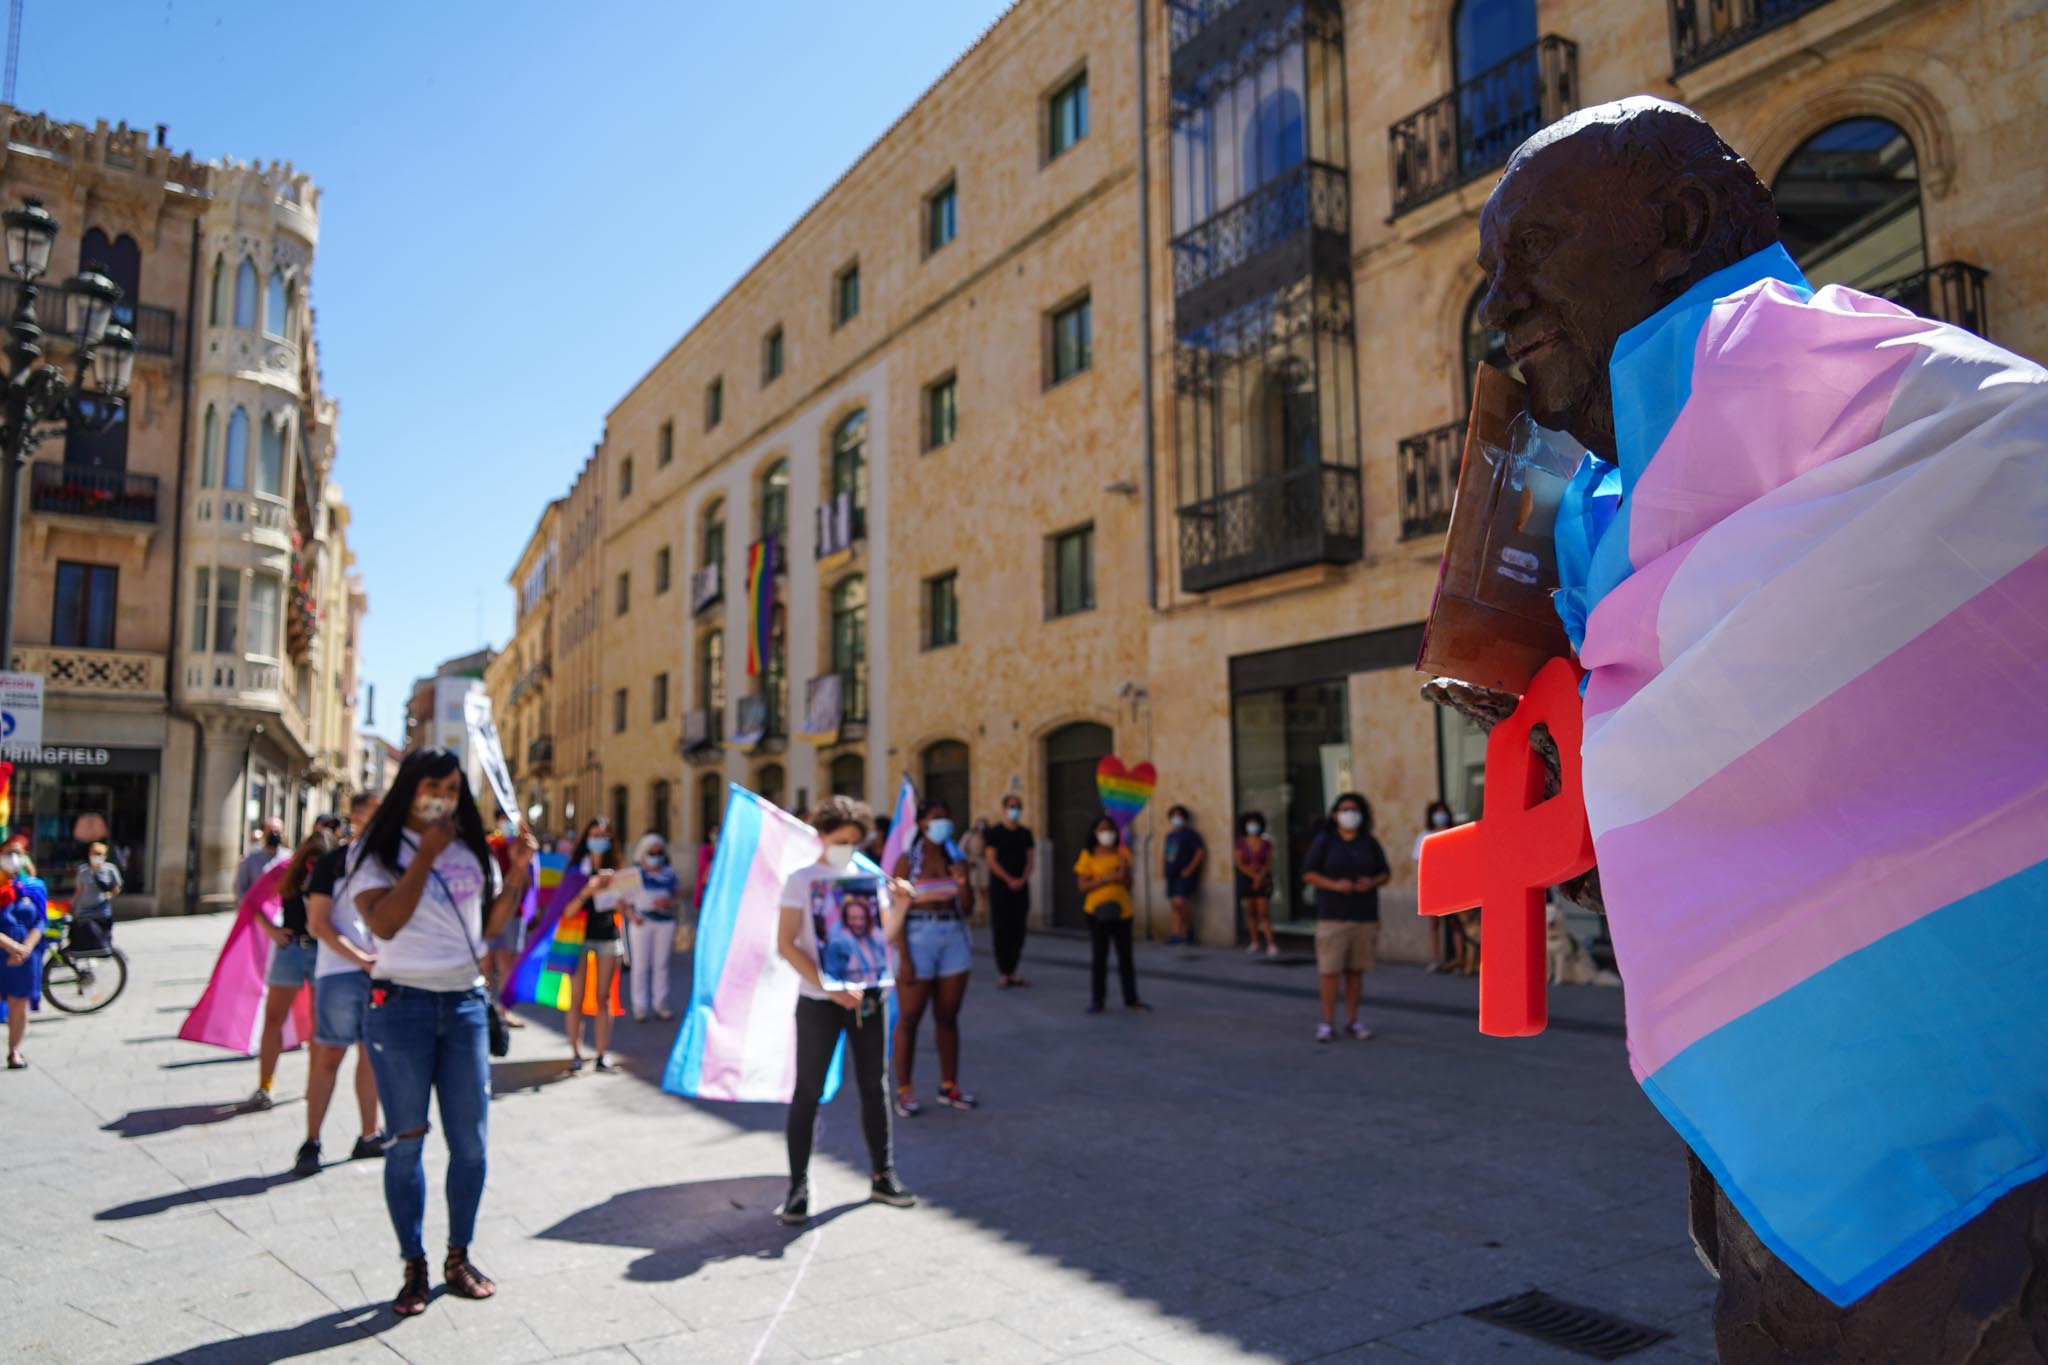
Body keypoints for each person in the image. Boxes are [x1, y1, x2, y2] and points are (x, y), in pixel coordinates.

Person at [1433, 96, 2048, 1356]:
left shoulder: (1954, 427)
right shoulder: (1611, 529)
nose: (1497, 312)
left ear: (1675, 224)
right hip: (1772, 1206)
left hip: (1983, 1196)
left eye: (1530, 252)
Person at [350, 746, 535, 1317]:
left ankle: (458, 1256)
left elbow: (488, 928)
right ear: (411, 787)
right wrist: (424, 857)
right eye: (437, 786)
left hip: (464, 1006)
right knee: (407, 1143)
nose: (447, 799)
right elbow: (383, 923)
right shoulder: (374, 851)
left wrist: (519, 875)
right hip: (400, 1005)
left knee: (472, 1146)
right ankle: (415, 1264)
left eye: (455, 789)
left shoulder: (470, 848)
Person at [774, 796, 917, 1225]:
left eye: (856, 841)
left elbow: (880, 939)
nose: (850, 848)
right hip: (820, 1002)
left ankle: (882, 1174)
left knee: (875, 1086)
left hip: (870, 996)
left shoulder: (866, 876)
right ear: (822, 836)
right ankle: (797, 1186)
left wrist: (902, 906)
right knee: (808, 1091)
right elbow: (786, 944)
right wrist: (828, 989)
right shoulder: (800, 880)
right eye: (842, 840)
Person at [301, 791, 388, 1178]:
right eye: (373, 814)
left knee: (371, 1055)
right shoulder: (332, 863)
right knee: (328, 1058)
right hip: (339, 973)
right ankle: (312, 1140)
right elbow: (317, 923)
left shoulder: (390, 865)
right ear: (355, 817)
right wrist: (360, 958)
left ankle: (369, 1133)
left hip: (378, 974)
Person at [889, 799, 976, 1116]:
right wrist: (905, 956)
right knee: (909, 1018)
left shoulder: (957, 858)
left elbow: (968, 908)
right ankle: (904, 1089)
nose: (943, 824)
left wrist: (963, 881)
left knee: (948, 1016)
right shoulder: (906, 862)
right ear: (922, 823)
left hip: (953, 937)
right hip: (917, 937)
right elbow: (896, 910)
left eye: (946, 818)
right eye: (936, 818)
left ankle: (948, 1085)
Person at [238, 830, 333, 1113]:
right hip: (290, 951)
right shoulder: (287, 871)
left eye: (320, 861)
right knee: (274, 1018)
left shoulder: (336, 871)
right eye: (311, 860)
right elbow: (251, 899)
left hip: (322, 953)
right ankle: (265, 1085)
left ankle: (312, 1085)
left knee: (319, 1025)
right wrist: (271, 930)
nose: (314, 866)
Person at [1300, 793, 1388, 1043]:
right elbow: (1308, 873)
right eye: (1344, 810)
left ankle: (1353, 1019)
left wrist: (1371, 882)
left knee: (1356, 971)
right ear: (1335, 815)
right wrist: (1334, 885)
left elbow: (1385, 873)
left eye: (1355, 810)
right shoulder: (1325, 841)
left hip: (1363, 915)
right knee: (1330, 971)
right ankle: (1327, 1022)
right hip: (1332, 916)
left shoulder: (1369, 842)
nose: (1350, 814)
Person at [561, 818, 622, 1073]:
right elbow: (567, 910)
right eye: (594, 834)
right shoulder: (576, 869)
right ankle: (576, 1052)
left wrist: (618, 889)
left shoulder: (615, 868)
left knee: (604, 997)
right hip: (578, 937)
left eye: (604, 835)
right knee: (575, 998)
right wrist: (588, 889)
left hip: (608, 935)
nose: (599, 840)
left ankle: (601, 1054)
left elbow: (622, 905)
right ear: (586, 838)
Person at [1074, 814, 1148, 1014]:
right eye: (1102, 829)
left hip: (1123, 912)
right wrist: (1107, 878)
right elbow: (1082, 886)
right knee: (1100, 957)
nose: (1107, 833)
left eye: (1110, 829)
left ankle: (1132, 999)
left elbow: (1129, 884)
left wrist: (1123, 875)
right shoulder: (1088, 855)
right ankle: (1097, 1000)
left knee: (1126, 957)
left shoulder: (1123, 853)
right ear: (1095, 833)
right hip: (1096, 913)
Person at [0, 843, 47, 1070]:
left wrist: (26, 947)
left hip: (26, 957)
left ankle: (14, 1051)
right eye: (8, 853)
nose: (13, 858)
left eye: (18, 853)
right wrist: (9, 945)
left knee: (19, 1004)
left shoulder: (34, 887)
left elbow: (41, 920)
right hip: (4, 951)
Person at [625, 832, 680, 1022]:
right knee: (640, 965)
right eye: (651, 852)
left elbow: (676, 896)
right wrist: (632, 916)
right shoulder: (635, 873)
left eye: (659, 852)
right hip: (642, 923)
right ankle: (639, 1006)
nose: (655, 856)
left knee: (661, 964)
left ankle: (661, 1004)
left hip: (664, 922)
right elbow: (622, 901)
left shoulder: (669, 873)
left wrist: (668, 903)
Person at [982, 797, 1036, 988]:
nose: (1015, 810)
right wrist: (1008, 879)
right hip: (1000, 889)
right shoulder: (994, 833)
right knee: (1001, 929)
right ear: (1004, 808)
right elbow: (991, 860)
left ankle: (1013, 970)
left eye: (1018, 807)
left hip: (1020, 889)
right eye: (1012, 807)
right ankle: (1003, 971)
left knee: (1018, 930)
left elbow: (1030, 860)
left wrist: (1022, 879)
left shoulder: (1025, 833)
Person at [482, 811, 528, 1029]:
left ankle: (504, 1010)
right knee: (487, 961)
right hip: (490, 911)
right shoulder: (489, 845)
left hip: (514, 911)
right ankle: (486, 1007)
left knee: (508, 961)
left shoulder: (523, 847)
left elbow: (529, 881)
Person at [1415, 800, 1465, 973]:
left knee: (1456, 923)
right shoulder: (1424, 836)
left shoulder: (1455, 832)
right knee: (1434, 924)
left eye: (1443, 812)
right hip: (1433, 885)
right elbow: (1419, 861)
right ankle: (1436, 959)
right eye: (1437, 812)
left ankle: (1459, 959)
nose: (1440, 815)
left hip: (1454, 884)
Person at [1161, 805, 1206, 945]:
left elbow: (1200, 852)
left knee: (1180, 902)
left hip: (1184, 874)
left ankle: (1190, 927)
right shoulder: (1170, 835)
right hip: (1171, 873)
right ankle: (1176, 934)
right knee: (1174, 904)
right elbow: (1165, 854)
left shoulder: (1190, 834)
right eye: (1174, 815)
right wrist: (1163, 870)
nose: (1176, 818)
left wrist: (1189, 869)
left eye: (1179, 815)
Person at [1234, 812, 1277, 957]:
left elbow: (1269, 862)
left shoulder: (1266, 843)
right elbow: (1239, 863)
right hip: (1246, 878)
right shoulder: (1240, 843)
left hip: (1263, 879)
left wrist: (1260, 877)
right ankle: (1254, 942)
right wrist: (1252, 875)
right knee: (1251, 913)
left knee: (1263, 913)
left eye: (1255, 823)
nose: (1252, 826)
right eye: (1249, 823)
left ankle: (1271, 943)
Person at [235, 818, 286, 903]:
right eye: (270, 831)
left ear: (282, 833)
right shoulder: (250, 859)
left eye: (277, 831)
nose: (274, 834)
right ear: (264, 833)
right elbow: (240, 889)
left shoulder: (289, 859)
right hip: (256, 911)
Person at [71, 842, 122, 919]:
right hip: (83, 912)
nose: (96, 857)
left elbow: (117, 888)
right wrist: (72, 905)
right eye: (94, 854)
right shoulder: (83, 870)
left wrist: (110, 895)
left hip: (102, 912)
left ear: (104, 856)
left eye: (99, 854)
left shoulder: (110, 869)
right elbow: (79, 890)